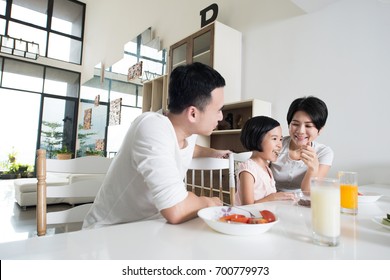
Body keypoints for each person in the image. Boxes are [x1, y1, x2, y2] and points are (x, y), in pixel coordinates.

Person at [82, 62, 230, 229]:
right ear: (193, 113)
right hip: (107, 233)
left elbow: (185, 148)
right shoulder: (151, 126)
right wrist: (210, 201)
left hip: (154, 226)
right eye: (218, 109)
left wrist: (213, 152)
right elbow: (177, 210)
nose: (221, 117)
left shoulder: (186, 134)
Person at [269, 96, 334, 193]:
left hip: (302, 203)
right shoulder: (276, 144)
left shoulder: (324, 153)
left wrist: (313, 168)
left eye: (308, 126)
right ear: (289, 125)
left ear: (320, 130)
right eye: (295, 124)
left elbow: (308, 192)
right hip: (270, 200)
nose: (301, 131)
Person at [235, 116, 295, 205]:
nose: (279, 145)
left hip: (265, 217)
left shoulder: (267, 169)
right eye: (274, 139)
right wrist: (273, 197)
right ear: (257, 139)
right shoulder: (248, 169)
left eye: (281, 139)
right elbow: (247, 207)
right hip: (249, 217)